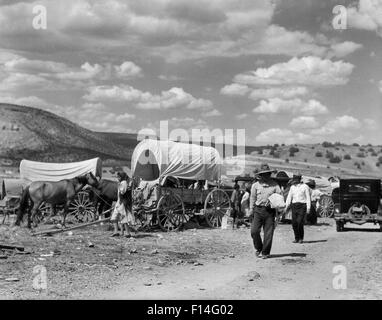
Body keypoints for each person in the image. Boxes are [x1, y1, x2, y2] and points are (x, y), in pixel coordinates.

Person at [249, 163, 282, 259]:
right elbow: (252, 197)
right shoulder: (255, 185)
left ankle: (265, 252)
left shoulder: (275, 185)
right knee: (254, 231)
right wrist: (251, 209)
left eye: (268, 174)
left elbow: (279, 197)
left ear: (269, 174)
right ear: (261, 175)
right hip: (258, 210)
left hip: (270, 211)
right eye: (264, 174)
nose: (266, 176)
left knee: (268, 233)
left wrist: (273, 203)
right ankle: (259, 248)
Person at [285, 173, 311, 243]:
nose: (295, 181)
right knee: (294, 223)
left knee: (299, 222)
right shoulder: (292, 187)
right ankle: (296, 238)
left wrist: (308, 208)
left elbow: (308, 197)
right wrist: (286, 206)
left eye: (296, 179)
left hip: (302, 206)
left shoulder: (305, 186)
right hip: (294, 206)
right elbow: (289, 197)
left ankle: (301, 238)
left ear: (299, 179)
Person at [111, 171, 135, 238]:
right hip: (119, 202)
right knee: (114, 217)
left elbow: (122, 192)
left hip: (122, 202)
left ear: (122, 177)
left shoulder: (123, 182)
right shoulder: (121, 182)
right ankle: (116, 232)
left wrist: (119, 185)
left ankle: (127, 233)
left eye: (119, 177)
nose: (117, 178)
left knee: (124, 217)